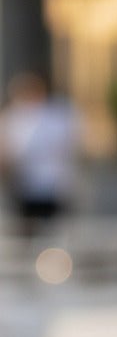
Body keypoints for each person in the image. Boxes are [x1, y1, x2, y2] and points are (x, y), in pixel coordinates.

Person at [0, 72, 78, 232]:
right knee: (29, 235)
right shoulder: (14, 117)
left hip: (53, 187)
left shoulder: (56, 115)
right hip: (25, 188)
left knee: (53, 235)